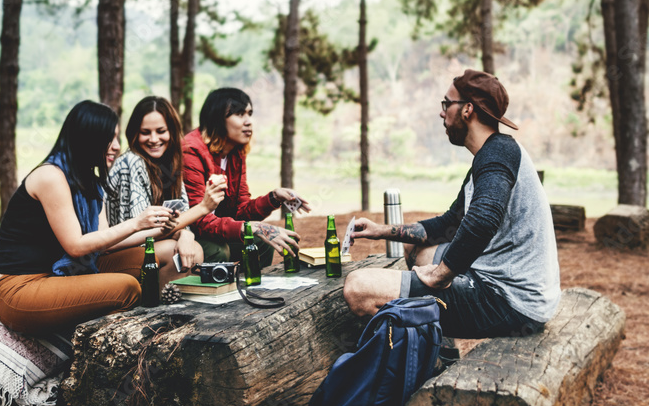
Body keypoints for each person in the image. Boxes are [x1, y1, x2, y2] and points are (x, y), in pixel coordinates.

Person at [343, 70, 561, 339]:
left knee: (358, 288)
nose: (442, 113)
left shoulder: (498, 155)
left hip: (510, 302)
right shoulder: (490, 155)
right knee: (416, 248)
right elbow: (449, 224)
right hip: (507, 288)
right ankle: (438, 348)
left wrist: (440, 275)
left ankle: (412, 352)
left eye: (447, 104)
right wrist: (382, 230)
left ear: (468, 110)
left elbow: (483, 219)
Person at [0, 100, 185, 336]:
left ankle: (161, 321)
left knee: (168, 251)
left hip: (61, 274)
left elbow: (106, 241)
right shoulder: (51, 176)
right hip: (16, 289)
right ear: (87, 140)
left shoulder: (89, 180)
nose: (116, 147)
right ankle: (127, 340)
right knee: (127, 287)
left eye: (117, 138)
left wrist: (160, 227)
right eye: (109, 139)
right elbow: (77, 246)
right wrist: (136, 222)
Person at [183, 87, 309, 266]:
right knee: (218, 250)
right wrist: (255, 228)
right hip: (188, 233)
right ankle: (211, 293)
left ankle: (252, 291)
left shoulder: (235, 152)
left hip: (216, 230)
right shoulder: (192, 151)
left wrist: (273, 197)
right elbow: (198, 220)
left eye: (249, 114)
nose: (248, 122)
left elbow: (241, 211)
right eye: (239, 114)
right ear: (217, 118)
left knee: (259, 244)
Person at [105, 96, 224, 275]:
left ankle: (169, 298)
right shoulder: (132, 161)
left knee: (193, 249)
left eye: (161, 131)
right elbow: (142, 233)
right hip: (115, 250)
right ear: (135, 133)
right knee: (180, 251)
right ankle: (159, 301)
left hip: (143, 245)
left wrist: (185, 234)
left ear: (172, 131)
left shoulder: (170, 164)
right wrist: (203, 208)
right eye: (145, 132)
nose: (154, 139)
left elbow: (179, 216)